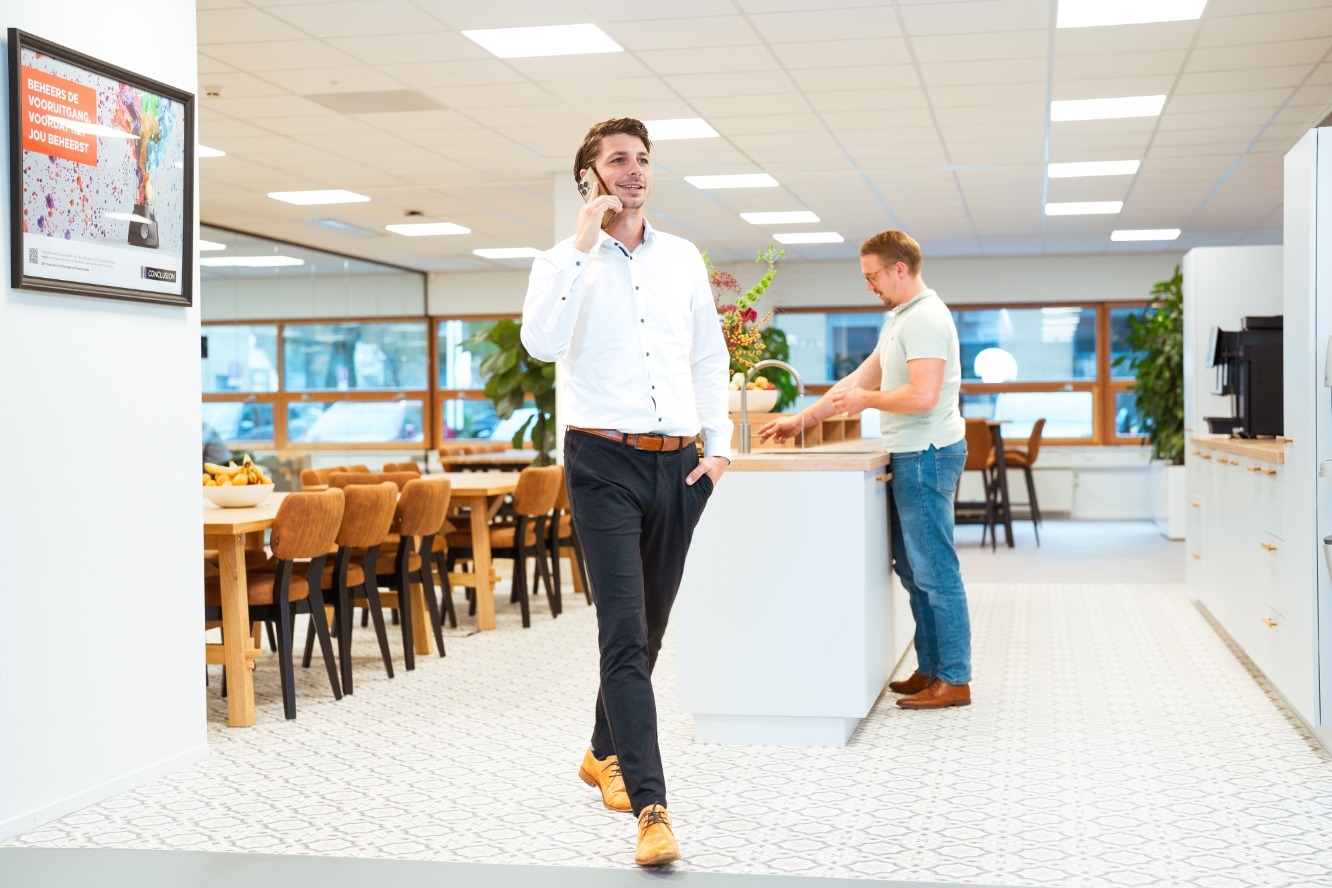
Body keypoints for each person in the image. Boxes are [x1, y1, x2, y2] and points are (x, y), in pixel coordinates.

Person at [521, 117, 732, 867]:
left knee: (648, 634)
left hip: (678, 465)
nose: (634, 171)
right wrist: (583, 244)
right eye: (618, 161)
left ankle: (598, 751)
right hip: (601, 461)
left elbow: (709, 355)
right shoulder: (559, 261)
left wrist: (721, 448)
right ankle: (652, 808)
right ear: (591, 176)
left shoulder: (682, 258)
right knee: (622, 632)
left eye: (643, 160)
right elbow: (541, 344)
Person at [756, 230, 972, 710]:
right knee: (915, 571)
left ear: (900, 269)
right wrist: (801, 419)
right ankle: (932, 669)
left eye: (873, 276)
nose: (869, 285)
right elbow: (859, 379)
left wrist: (865, 401)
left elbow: (922, 396)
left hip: (928, 452)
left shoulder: (927, 319)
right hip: (911, 452)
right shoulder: (900, 318)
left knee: (935, 571)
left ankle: (955, 679)